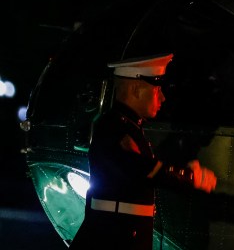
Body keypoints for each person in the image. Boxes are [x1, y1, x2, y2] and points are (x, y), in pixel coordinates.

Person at [70, 54, 217, 249]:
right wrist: (188, 177)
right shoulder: (114, 128)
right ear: (136, 90)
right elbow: (140, 169)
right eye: (157, 90)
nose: (162, 98)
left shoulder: (129, 127)